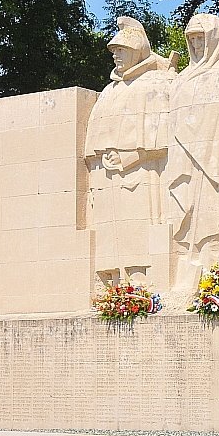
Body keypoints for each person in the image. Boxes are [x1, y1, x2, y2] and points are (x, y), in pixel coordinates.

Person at [83, 16, 176, 287]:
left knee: (136, 233)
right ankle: (113, 289)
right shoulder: (109, 91)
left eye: (121, 50)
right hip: (105, 175)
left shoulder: (156, 84)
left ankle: (141, 285)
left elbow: (162, 136)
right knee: (109, 234)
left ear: (136, 51)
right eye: (114, 52)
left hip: (140, 173)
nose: (116, 57)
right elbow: (95, 142)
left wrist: (130, 156)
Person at [164, 14, 219, 294]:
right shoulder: (179, 81)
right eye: (191, 40)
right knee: (190, 220)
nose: (196, 44)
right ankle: (193, 276)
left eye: (200, 38)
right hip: (187, 163)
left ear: (217, 38)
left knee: (218, 217)